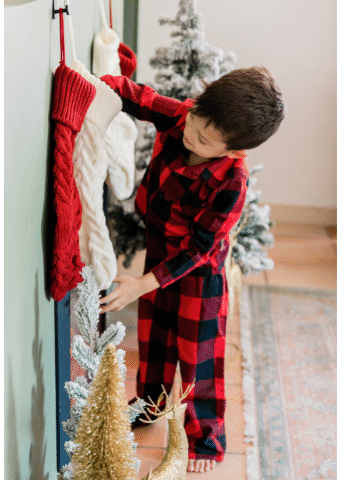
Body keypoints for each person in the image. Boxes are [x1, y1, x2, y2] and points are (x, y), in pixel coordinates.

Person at [97, 67, 285, 473]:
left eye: (203, 138)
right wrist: (104, 83)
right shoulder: (185, 117)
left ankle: (206, 439)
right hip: (160, 251)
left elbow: (200, 248)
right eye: (195, 120)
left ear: (234, 151)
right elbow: (141, 99)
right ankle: (150, 406)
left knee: (198, 356)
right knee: (155, 336)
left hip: (199, 273)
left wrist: (143, 284)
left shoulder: (231, 182)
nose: (191, 134)